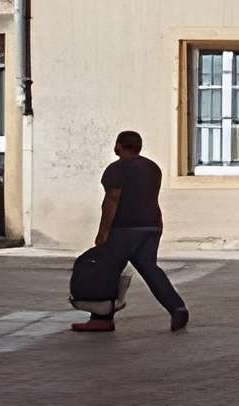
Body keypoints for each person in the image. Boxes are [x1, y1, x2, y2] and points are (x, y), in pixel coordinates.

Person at [76, 128, 189, 334]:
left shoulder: (116, 169)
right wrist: (158, 224)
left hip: (124, 228)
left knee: (106, 270)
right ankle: (177, 308)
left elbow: (112, 200)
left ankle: (102, 318)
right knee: (150, 269)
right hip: (152, 225)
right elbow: (150, 196)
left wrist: (103, 231)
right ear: (139, 147)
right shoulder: (153, 168)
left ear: (118, 146)